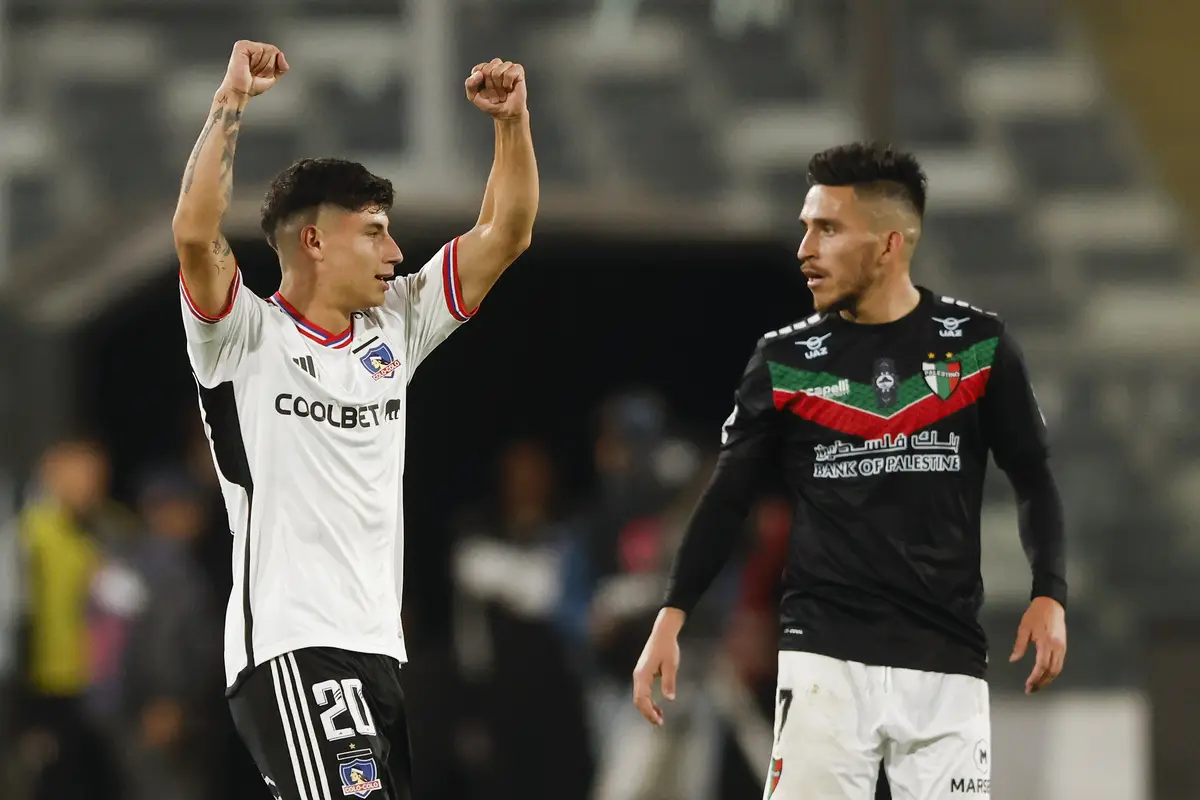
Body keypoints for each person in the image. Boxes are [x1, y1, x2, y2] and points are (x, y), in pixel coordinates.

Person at [631, 143, 1067, 800]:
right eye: (805, 225)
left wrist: (1050, 592)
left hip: (944, 664)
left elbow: (1033, 476)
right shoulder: (783, 361)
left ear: (890, 244)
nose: (805, 246)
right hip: (822, 664)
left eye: (827, 228)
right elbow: (728, 496)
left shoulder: (978, 346)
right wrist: (673, 613)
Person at [171, 40, 537, 800]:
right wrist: (229, 104)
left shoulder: (393, 328)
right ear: (313, 240)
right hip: (292, 646)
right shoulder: (243, 336)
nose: (395, 251)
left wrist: (511, 125)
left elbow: (506, 234)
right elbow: (194, 235)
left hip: (376, 650)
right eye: (373, 231)